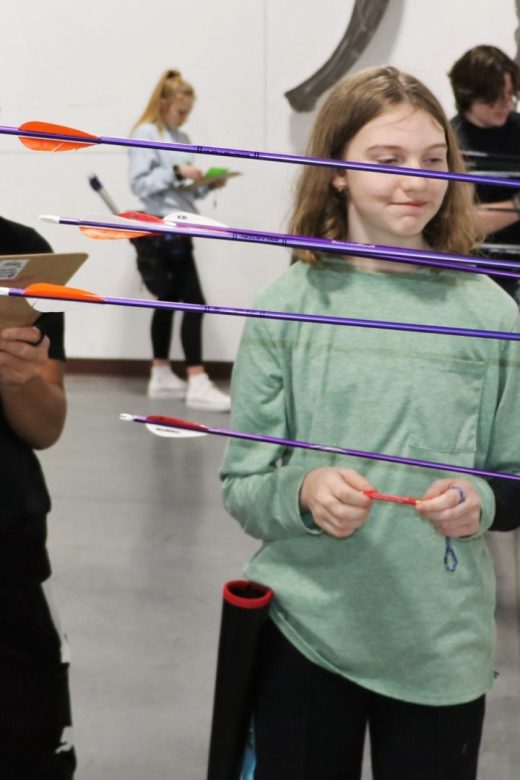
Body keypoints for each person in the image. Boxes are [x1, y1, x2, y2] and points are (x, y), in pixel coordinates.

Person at [220, 66, 520, 779]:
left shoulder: (491, 314)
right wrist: (301, 490)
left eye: (433, 161)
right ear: (335, 174)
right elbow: (243, 485)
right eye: (385, 162)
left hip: (440, 644)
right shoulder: (282, 308)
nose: (414, 181)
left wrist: (480, 500)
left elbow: (514, 477)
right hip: (305, 632)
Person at [0, 216, 75, 777]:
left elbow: (46, 427)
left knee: (25, 745)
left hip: (8, 547)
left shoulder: (22, 256)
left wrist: (19, 378)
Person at [128, 69, 231, 411]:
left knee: (169, 298)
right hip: (162, 227)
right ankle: (198, 379)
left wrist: (204, 184)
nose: (184, 118)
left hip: (182, 223)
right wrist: (176, 172)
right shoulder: (144, 134)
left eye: (188, 112)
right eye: (179, 111)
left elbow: (180, 192)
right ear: (163, 103)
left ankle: (160, 372)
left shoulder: (182, 139)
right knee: (194, 302)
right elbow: (141, 185)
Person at [449, 45, 520, 298]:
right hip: (477, 274)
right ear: (469, 95)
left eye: (509, 95)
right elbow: (463, 222)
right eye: (493, 99)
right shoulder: (452, 144)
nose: (504, 105)